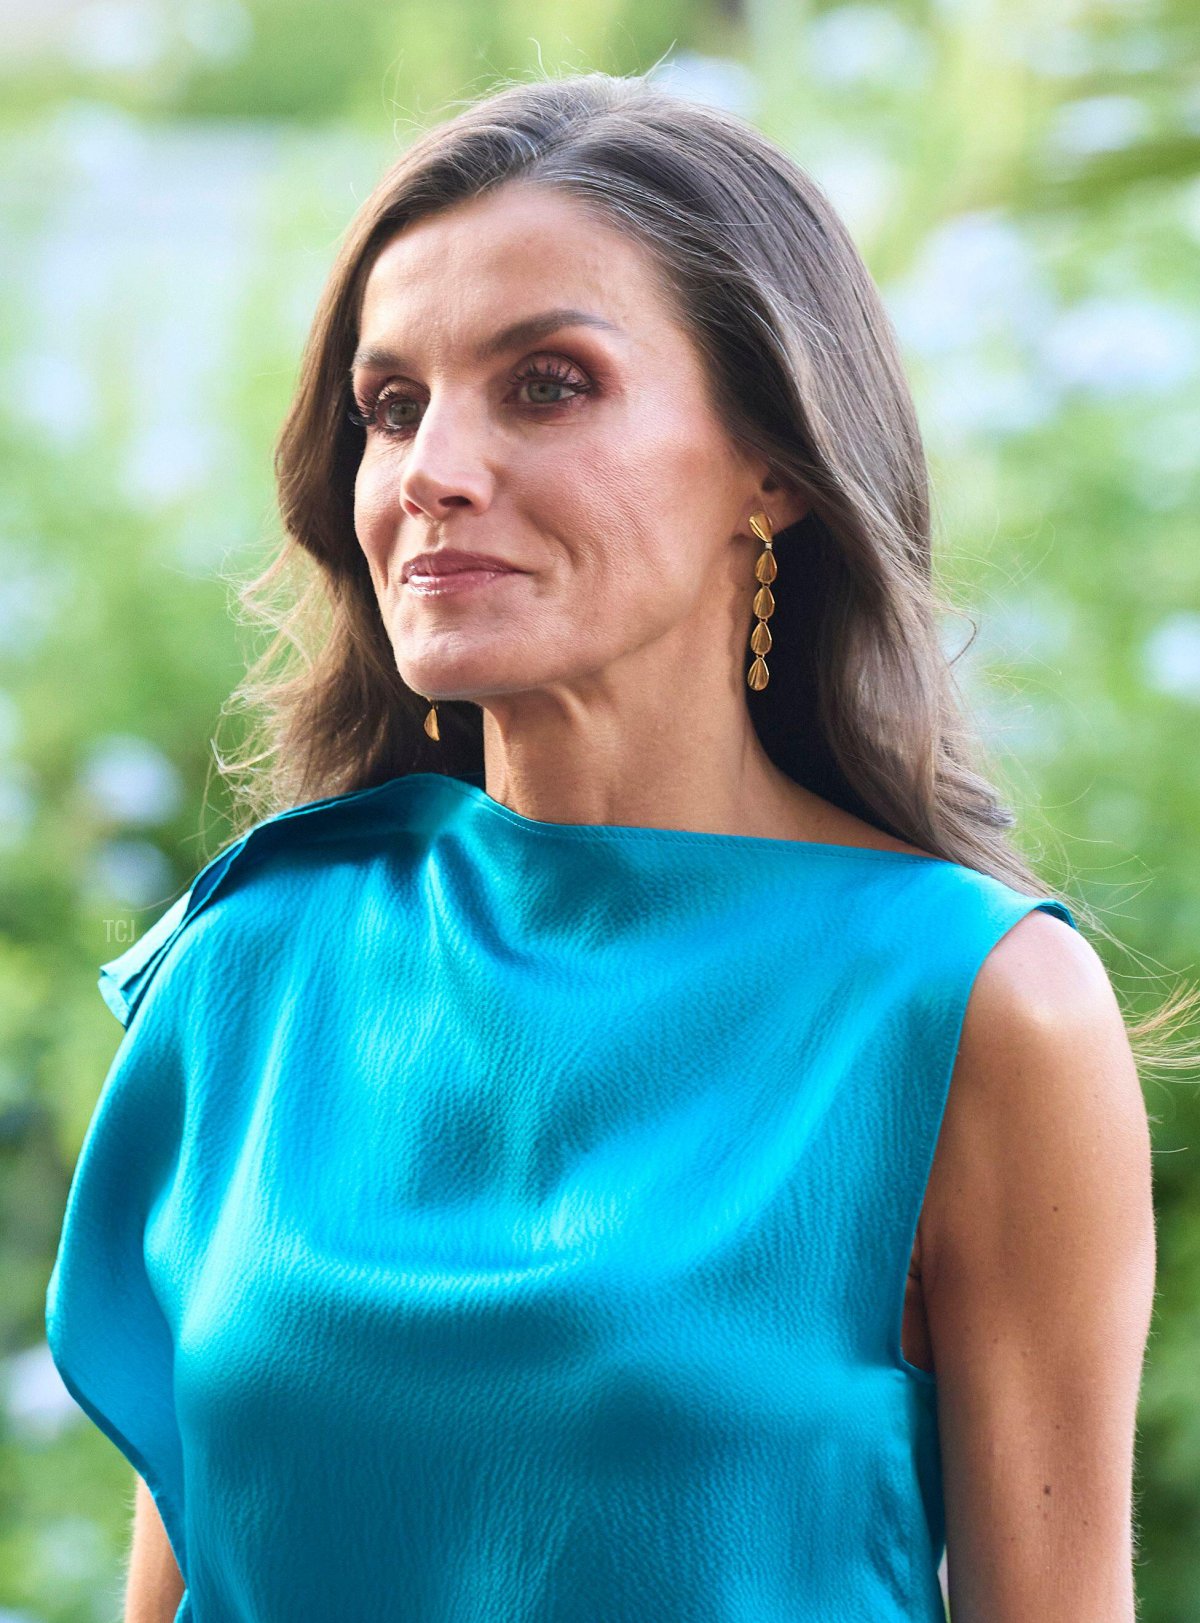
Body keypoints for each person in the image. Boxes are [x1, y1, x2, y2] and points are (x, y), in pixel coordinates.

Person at [46, 70, 1158, 1623]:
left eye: (548, 382)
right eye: (391, 405)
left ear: (772, 462)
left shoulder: (972, 1005)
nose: (432, 467)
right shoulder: (250, 962)